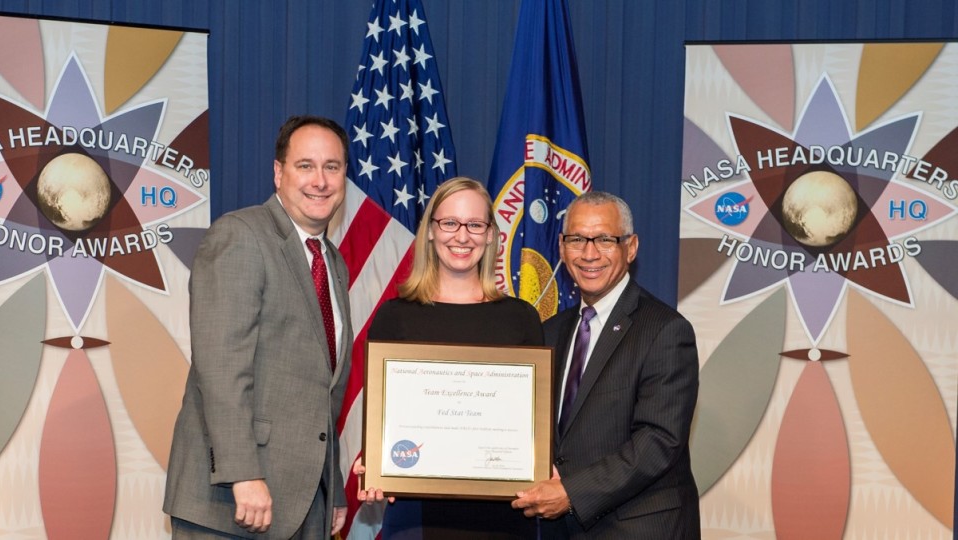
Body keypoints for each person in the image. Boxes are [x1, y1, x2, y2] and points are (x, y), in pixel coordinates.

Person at [163, 115, 352, 538]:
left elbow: (320, 392)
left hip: (303, 502)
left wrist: (331, 487)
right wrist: (243, 475)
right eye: (305, 166)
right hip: (233, 501)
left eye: (332, 167)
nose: (320, 181)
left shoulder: (331, 261)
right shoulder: (240, 236)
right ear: (278, 172)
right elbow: (221, 368)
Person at [356, 177, 542, 539]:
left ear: (490, 234)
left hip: (502, 516)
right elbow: (383, 416)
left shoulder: (521, 318)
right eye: (449, 223)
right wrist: (376, 463)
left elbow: (535, 423)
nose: (462, 236)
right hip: (416, 517)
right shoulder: (395, 317)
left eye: (475, 224)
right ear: (429, 231)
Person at [512, 191, 701, 539]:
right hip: (561, 530)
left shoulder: (666, 331)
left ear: (631, 247)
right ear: (561, 246)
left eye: (604, 239)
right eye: (577, 239)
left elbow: (659, 440)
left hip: (637, 528)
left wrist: (572, 492)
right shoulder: (551, 332)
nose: (589, 253)